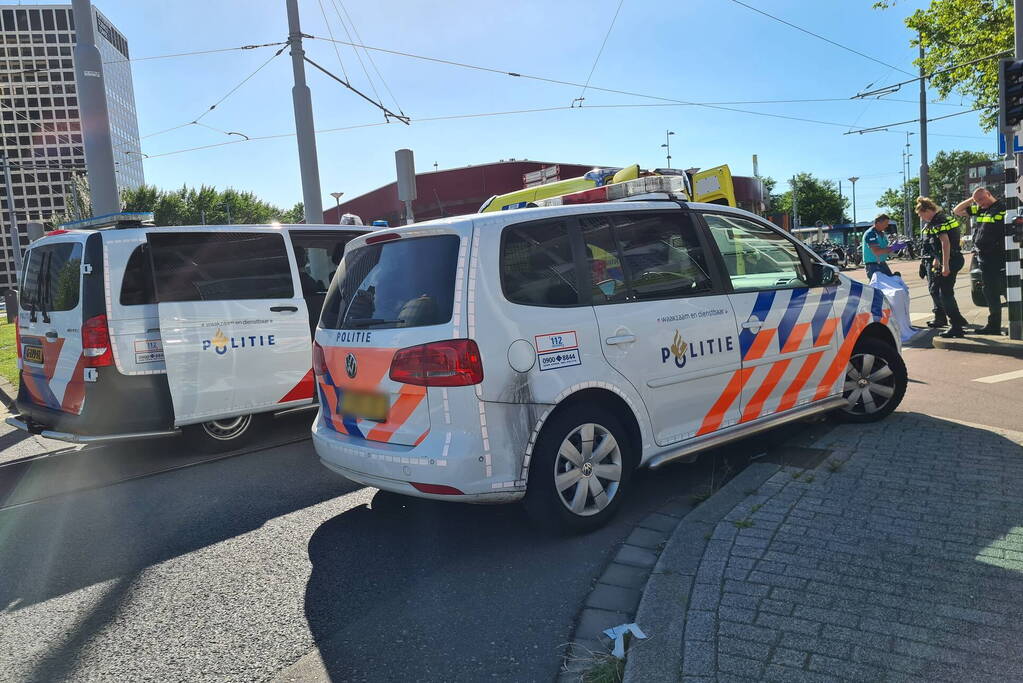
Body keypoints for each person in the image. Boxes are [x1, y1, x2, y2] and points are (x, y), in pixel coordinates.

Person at [954, 187, 1005, 335]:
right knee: (990, 292)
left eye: (982, 199)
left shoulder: (1002, 207)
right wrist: (973, 199)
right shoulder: (980, 209)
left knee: (1007, 290)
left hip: (999, 255)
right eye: (977, 201)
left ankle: (1012, 323)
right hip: (984, 257)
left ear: (989, 194)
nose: (980, 203)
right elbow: (957, 210)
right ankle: (994, 326)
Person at [916, 197, 970, 338]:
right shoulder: (944, 217)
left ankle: (956, 326)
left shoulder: (938, 221)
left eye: (922, 215)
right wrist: (937, 260)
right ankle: (958, 320)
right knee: (944, 292)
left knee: (944, 293)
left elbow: (945, 243)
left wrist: (945, 265)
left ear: (927, 211)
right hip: (953, 258)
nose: (922, 218)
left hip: (951, 260)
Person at [861, 214, 894, 279]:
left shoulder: (882, 233)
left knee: (891, 283)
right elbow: (877, 251)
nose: (887, 225)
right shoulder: (870, 234)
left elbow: (886, 248)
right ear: (878, 223)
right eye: (886, 223)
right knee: (878, 287)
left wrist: (896, 246)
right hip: (873, 266)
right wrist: (892, 248)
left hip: (882, 264)